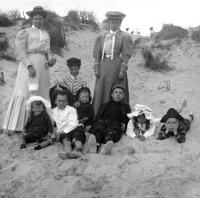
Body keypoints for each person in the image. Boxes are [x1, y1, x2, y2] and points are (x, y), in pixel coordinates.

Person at [3, 6, 56, 133]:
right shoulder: (25, 32)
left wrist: (51, 59)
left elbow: (47, 51)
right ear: (32, 19)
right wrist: (29, 66)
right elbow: (20, 51)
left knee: (41, 93)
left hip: (43, 67)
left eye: (41, 19)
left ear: (44, 20)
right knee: (26, 91)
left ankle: (41, 124)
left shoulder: (46, 34)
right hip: (29, 65)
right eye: (36, 18)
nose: (38, 21)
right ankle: (19, 125)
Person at [92, 11, 133, 117]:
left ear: (120, 23)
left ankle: (117, 118)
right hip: (103, 66)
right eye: (112, 22)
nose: (114, 24)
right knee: (101, 90)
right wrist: (97, 67)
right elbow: (97, 53)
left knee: (115, 90)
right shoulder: (102, 36)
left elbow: (126, 54)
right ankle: (98, 116)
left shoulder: (124, 36)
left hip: (116, 66)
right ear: (109, 23)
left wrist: (123, 69)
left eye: (116, 22)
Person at [88, 84, 131, 155]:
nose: (118, 94)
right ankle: (95, 146)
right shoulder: (106, 105)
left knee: (110, 133)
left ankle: (105, 147)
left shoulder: (125, 106)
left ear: (123, 96)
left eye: (120, 93)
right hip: (103, 122)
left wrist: (125, 124)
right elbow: (99, 115)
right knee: (98, 131)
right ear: (112, 95)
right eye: (116, 92)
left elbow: (127, 118)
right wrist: (92, 124)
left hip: (115, 123)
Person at [52, 91, 86, 159]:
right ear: (55, 101)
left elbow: (74, 123)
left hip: (76, 128)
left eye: (64, 101)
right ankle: (67, 152)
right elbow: (52, 125)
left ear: (67, 102)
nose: (61, 103)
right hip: (63, 131)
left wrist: (64, 130)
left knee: (77, 138)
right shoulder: (53, 111)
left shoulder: (72, 110)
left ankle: (78, 150)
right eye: (59, 100)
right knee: (66, 140)